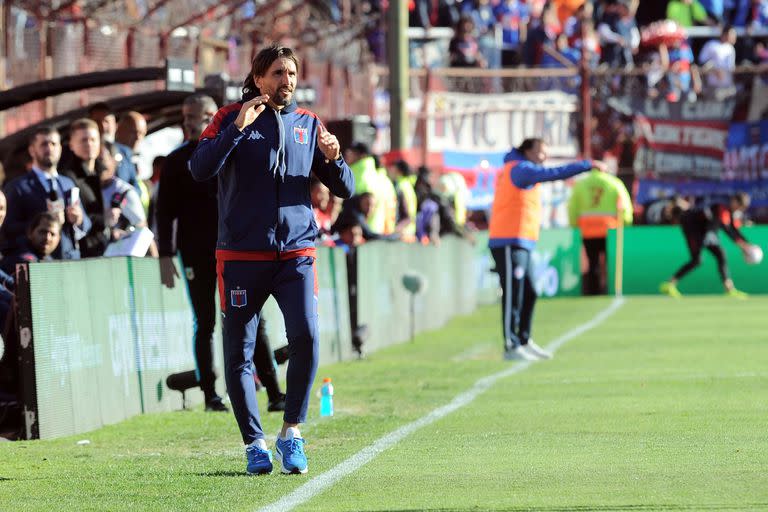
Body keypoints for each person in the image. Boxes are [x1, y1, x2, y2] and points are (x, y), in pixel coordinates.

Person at [189, 43, 354, 475]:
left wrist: (336, 161)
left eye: (293, 75)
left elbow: (345, 189)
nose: (287, 82)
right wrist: (238, 129)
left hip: (296, 253)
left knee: (308, 338)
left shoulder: (308, 123)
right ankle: (254, 445)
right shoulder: (229, 117)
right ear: (259, 78)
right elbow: (200, 169)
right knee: (239, 353)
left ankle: (291, 434)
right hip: (242, 254)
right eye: (279, 73)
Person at [488, 138, 605, 361]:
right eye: (541, 152)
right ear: (528, 151)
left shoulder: (522, 169)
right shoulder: (520, 169)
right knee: (513, 293)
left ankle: (523, 339)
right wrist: (586, 165)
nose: (544, 157)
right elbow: (553, 174)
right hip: (507, 240)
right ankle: (511, 345)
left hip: (523, 240)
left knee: (530, 291)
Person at [157, 94, 229, 413]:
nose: (188, 121)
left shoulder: (230, 153)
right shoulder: (176, 161)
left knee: (243, 319)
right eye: (185, 116)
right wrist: (165, 256)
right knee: (205, 322)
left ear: (213, 116)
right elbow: (164, 212)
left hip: (233, 250)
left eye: (195, 115)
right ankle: (211, 393)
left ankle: (263, 384)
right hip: (195, 253)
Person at [1, 127, 89, 261]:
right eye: (44, 144)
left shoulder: (68, 183)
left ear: (60, 148)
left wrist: (78, 219)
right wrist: (41, 224)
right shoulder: (18, 187)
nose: (49, 148)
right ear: (32, 150)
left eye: (53, 144)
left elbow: (86, 224)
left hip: (70, 259)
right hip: (37, 262)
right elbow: (8, 228)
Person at [660, 193, 757, 298]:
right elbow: (728, 230)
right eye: (739, 206)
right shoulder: (722, 208)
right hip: (693, 229)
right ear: (734, 201)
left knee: (721, 255)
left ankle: (730, 289)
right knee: (696, 260)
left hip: (707, 232)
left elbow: (733, 228)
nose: (740, 209)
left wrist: (747, 244)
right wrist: (743, 246)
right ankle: (669, 284)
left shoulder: (728, 211)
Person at [567, 166, 633, 295]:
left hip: (587, 230)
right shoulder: (614, 182)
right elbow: (625, 207)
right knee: (609, 262)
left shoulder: (580, 184)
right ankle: (607, 288)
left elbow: (572, 208)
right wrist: (626, 224)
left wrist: (574, 225)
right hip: (610, 230)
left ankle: (592, 290)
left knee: (592, 262)